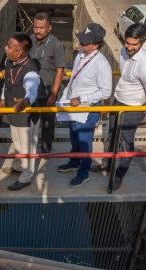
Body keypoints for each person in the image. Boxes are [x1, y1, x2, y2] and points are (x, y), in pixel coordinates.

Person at [91, 23, 146, 191]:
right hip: (119, 100)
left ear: (142, 42)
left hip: (133, 106)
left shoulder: (144, 64)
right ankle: (107, 165)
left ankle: (119, 174)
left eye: (134, 44)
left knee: (125, 141)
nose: (129, 47)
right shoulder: (123, 51)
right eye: (126, 43)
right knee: (112, 134)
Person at [58, 23, 112, 188]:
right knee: (74, 136)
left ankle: (83, 173)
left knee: (84, 141)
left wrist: (81, 99)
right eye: (81, 40)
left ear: (95, 45)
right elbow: (75, 78)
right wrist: (65, 97)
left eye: (85, 42)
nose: (80, 44)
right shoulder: (80, 55)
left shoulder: (102, 64)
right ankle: (74, 161)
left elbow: (106, 92)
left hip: (88, 109)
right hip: (74, 106)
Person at [0, 33, 42, 191]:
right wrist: (3, 96)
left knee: (27, 147)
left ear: (19, 52)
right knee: (16, 142)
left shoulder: (30, 70)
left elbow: (31, 87)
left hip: (25, 114)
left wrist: (26, 100)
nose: (5, 48)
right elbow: (7, 82)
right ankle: (18, 166)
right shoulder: (10, 61)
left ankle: (26, 176)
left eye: (9, 47)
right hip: (13, 111)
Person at [30, 12, 65, 153]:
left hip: (47, 92)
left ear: (49, 28)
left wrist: (54, 94)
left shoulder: (56, 44)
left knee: (47, 123)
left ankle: (46, 149)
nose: (38, 31)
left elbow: (60, 72)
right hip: (31, 92)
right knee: (29, 122)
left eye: (41, 28)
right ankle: (29, 149)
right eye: (35, 27)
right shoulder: (29, 40)